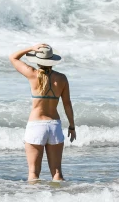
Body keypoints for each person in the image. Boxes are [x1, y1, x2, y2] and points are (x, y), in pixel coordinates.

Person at [9, 43, 76, 181]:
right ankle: (61, 200)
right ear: (52, 60)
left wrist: (30, 48)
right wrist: (72, 126)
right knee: (57, 173)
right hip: (54, 125)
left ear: (38, 60)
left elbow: (13, 57)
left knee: (33, 172)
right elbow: (67, 104)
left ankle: (35, 201)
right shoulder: (62, 78)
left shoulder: (32, 74)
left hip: (36, 125)